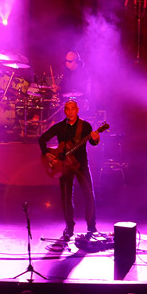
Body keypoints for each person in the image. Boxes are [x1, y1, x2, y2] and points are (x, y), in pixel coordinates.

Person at [38, 99, 100, 238]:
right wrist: (46, 153)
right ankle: (69, 227)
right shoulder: (60, 127)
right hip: (64, 166)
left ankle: (91, 226)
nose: (70, 111)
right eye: (67, 109)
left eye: (73, 108)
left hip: (81, 165)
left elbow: (93, 142)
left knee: (89, 194)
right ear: (65, 111)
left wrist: (96, 139)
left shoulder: (85, 126)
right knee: (66, 197)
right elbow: (42, 139)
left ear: (77, 110)